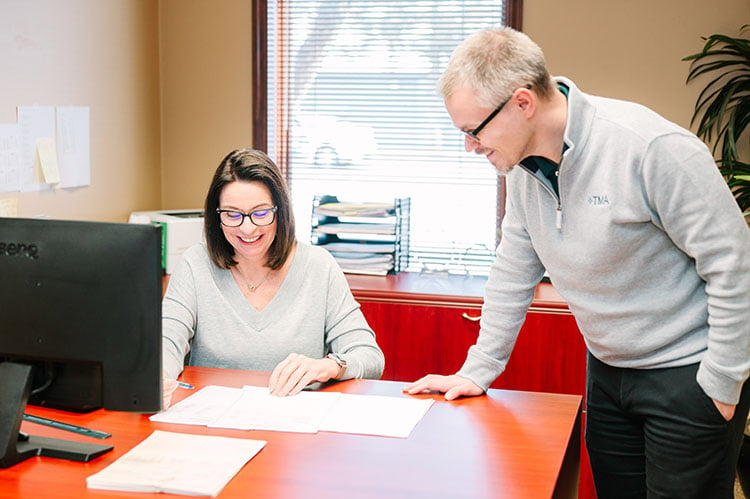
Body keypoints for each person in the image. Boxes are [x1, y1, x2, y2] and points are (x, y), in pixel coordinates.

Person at [404, 27, 750, 498]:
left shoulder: (648, 148)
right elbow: (513, 271)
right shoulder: (525, 168)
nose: (471, 146)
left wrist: (723, 382)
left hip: (687, 375)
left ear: (522, 103)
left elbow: (735, 264)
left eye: (473, 131)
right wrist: (476, 370)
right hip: (609, 374)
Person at [161, 148, 384, 403]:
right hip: (213, 423)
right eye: (232, 214)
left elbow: (369, 356)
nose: (247, 228)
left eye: (260, 213)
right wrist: (159, 377)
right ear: (216, 217)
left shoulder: (318, 266)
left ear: (281, 212)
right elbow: (167, 340)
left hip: (294, 428)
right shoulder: (195, 264)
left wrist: (330, 366)